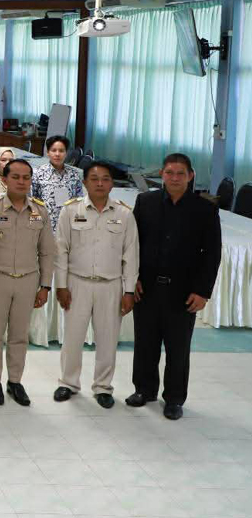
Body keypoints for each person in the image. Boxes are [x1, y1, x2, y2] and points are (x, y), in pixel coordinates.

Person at [128, 153, 222, 420]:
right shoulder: (145, 202)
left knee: (177, 348)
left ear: (191, 176)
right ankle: (144, 390)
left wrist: (203, 291)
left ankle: (174, 398)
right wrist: (131, 279)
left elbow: (212, 254)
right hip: (145, 288)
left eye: (181, 173)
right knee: (145, 343)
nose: (174, 178)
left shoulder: (205, 209)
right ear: (162, 174)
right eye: (169, 173)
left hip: (183, 292)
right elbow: (132, 245)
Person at [53, 161, 139, 409]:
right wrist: (61, 286)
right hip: (77, 283)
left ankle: (103, 387)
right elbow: (61, 251)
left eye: (105, 179)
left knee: (108, 338)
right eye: (94, 179)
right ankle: (68, 383)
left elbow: (131, 256)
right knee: (72, 337)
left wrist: (129, 291)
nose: (100, 183)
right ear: (84, 182)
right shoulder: (70, 211)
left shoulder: (124, 214)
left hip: (110, 286)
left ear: (112, 183)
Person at [0, 159, 55, 406]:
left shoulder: (40, 211)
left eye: (26, 177)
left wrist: (45, 286)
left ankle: (15, 382)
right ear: (5, 179)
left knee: (20, 335)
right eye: (16, 177)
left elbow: (47, 252)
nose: (21, 182)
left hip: (27, 281)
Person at [32, 135, 84, 236]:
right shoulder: (38, 173)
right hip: (45, 229)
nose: (57, 154)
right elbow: (33, 203)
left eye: (61, 151)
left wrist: (81, 229)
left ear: (66, 153)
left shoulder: (74, 174)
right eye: (53, 150)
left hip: (68, 229)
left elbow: (80, 203)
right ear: (48, 153)